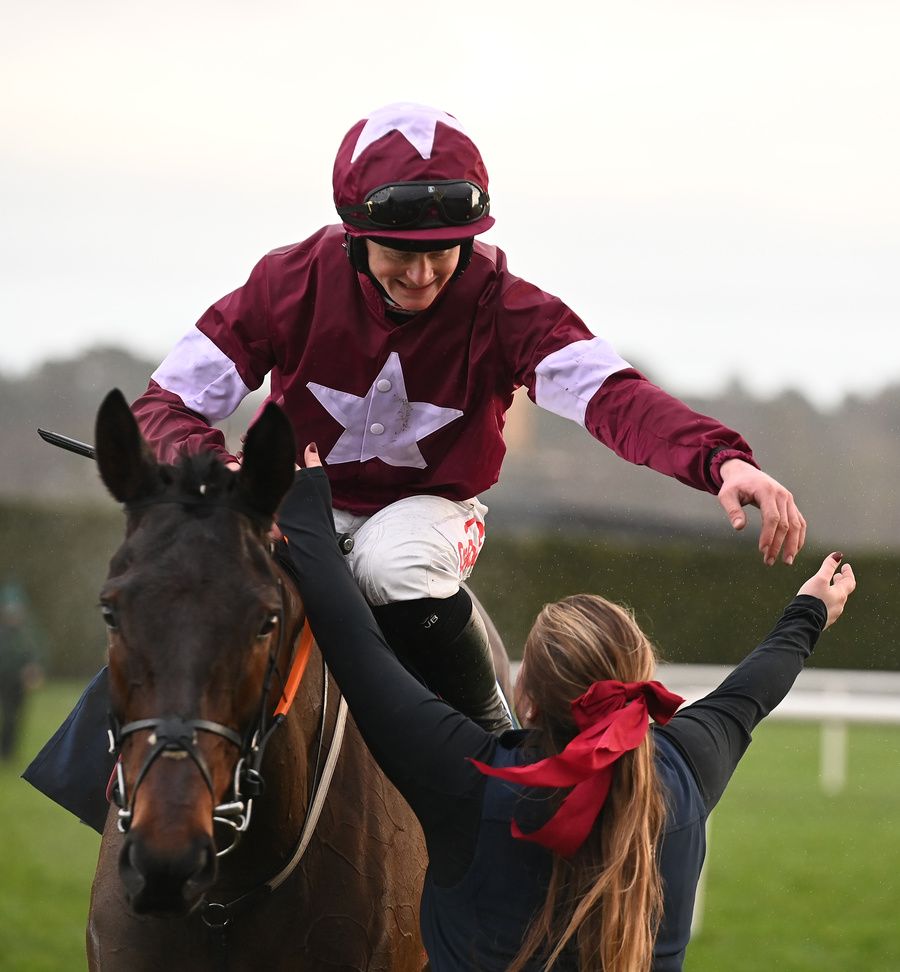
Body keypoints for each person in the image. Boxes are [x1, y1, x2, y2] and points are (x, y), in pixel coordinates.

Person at [131, 101, 805, 733]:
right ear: (355, 237)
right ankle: (117, 772)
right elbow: (161, 408)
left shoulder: (507, 308)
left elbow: (614, 396)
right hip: (291, 502)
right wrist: (223, 475)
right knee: (184, 561)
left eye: (443, 251)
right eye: (401, 253)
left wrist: (720, 460)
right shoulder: (284, 285)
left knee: (391, 564)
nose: (423, 274)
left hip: (427, 513)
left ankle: (494, 741)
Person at [278, 444, 854, 971]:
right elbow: (752, 690)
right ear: (640, 681)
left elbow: (356, 648)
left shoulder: (469, 779)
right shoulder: (685, 767)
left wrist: (308, 511)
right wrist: (810, 610)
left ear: (525, 699)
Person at [0, 598, 42, 762]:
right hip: (5, 682)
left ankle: (9, 751)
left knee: (16, 717)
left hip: (19, 684)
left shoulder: (25, 635)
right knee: (9, 716)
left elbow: (33, 656)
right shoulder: (3, 635)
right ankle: (5, 750)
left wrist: (33, 670)